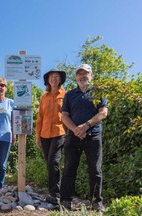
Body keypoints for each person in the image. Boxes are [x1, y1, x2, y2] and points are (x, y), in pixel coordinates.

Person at [59, 64, 108, 212]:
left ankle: (96, 203)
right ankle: (65, 201)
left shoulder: (99, 92)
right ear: (76, 77)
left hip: (93, 137)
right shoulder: (70, 95)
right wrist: (75, 129)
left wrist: (86, 125)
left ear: (91, 75)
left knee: (95, 170)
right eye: (79, 74)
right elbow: (64, 115)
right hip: (73, 137)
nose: (82, 76)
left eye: (85, 73)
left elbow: (103, 112)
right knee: (69, 169)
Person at [36, 69, 66, 206]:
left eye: (56, 77)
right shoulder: (44, 97)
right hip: (44, 134)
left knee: (54, 162)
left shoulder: (65, 95)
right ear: (48, 80)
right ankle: (52, 193)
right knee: (49, 164)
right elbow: (40, 118)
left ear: (60, 80)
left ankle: (56, 194)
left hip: (59, 133)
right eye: (51, 77)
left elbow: (68, 115)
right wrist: (37, 136)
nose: (54, 79)